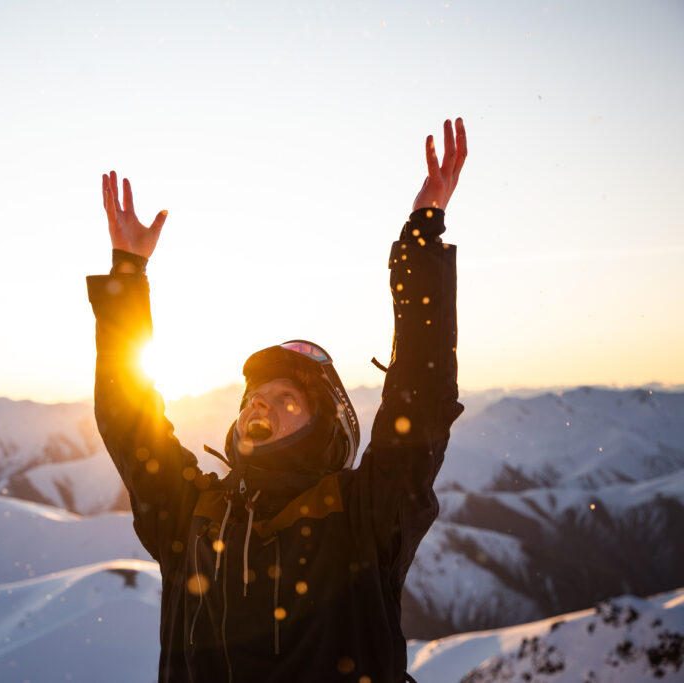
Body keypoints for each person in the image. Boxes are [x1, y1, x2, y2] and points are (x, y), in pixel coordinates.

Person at [87, 119, 467, 682]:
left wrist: (422, 236)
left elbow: (423, 393)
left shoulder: (364, 514)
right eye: (254, 397)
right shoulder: (193, 513)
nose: (258, 405)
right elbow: (127, 416)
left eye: (286, 397)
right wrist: (127, 274)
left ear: (326, 430)